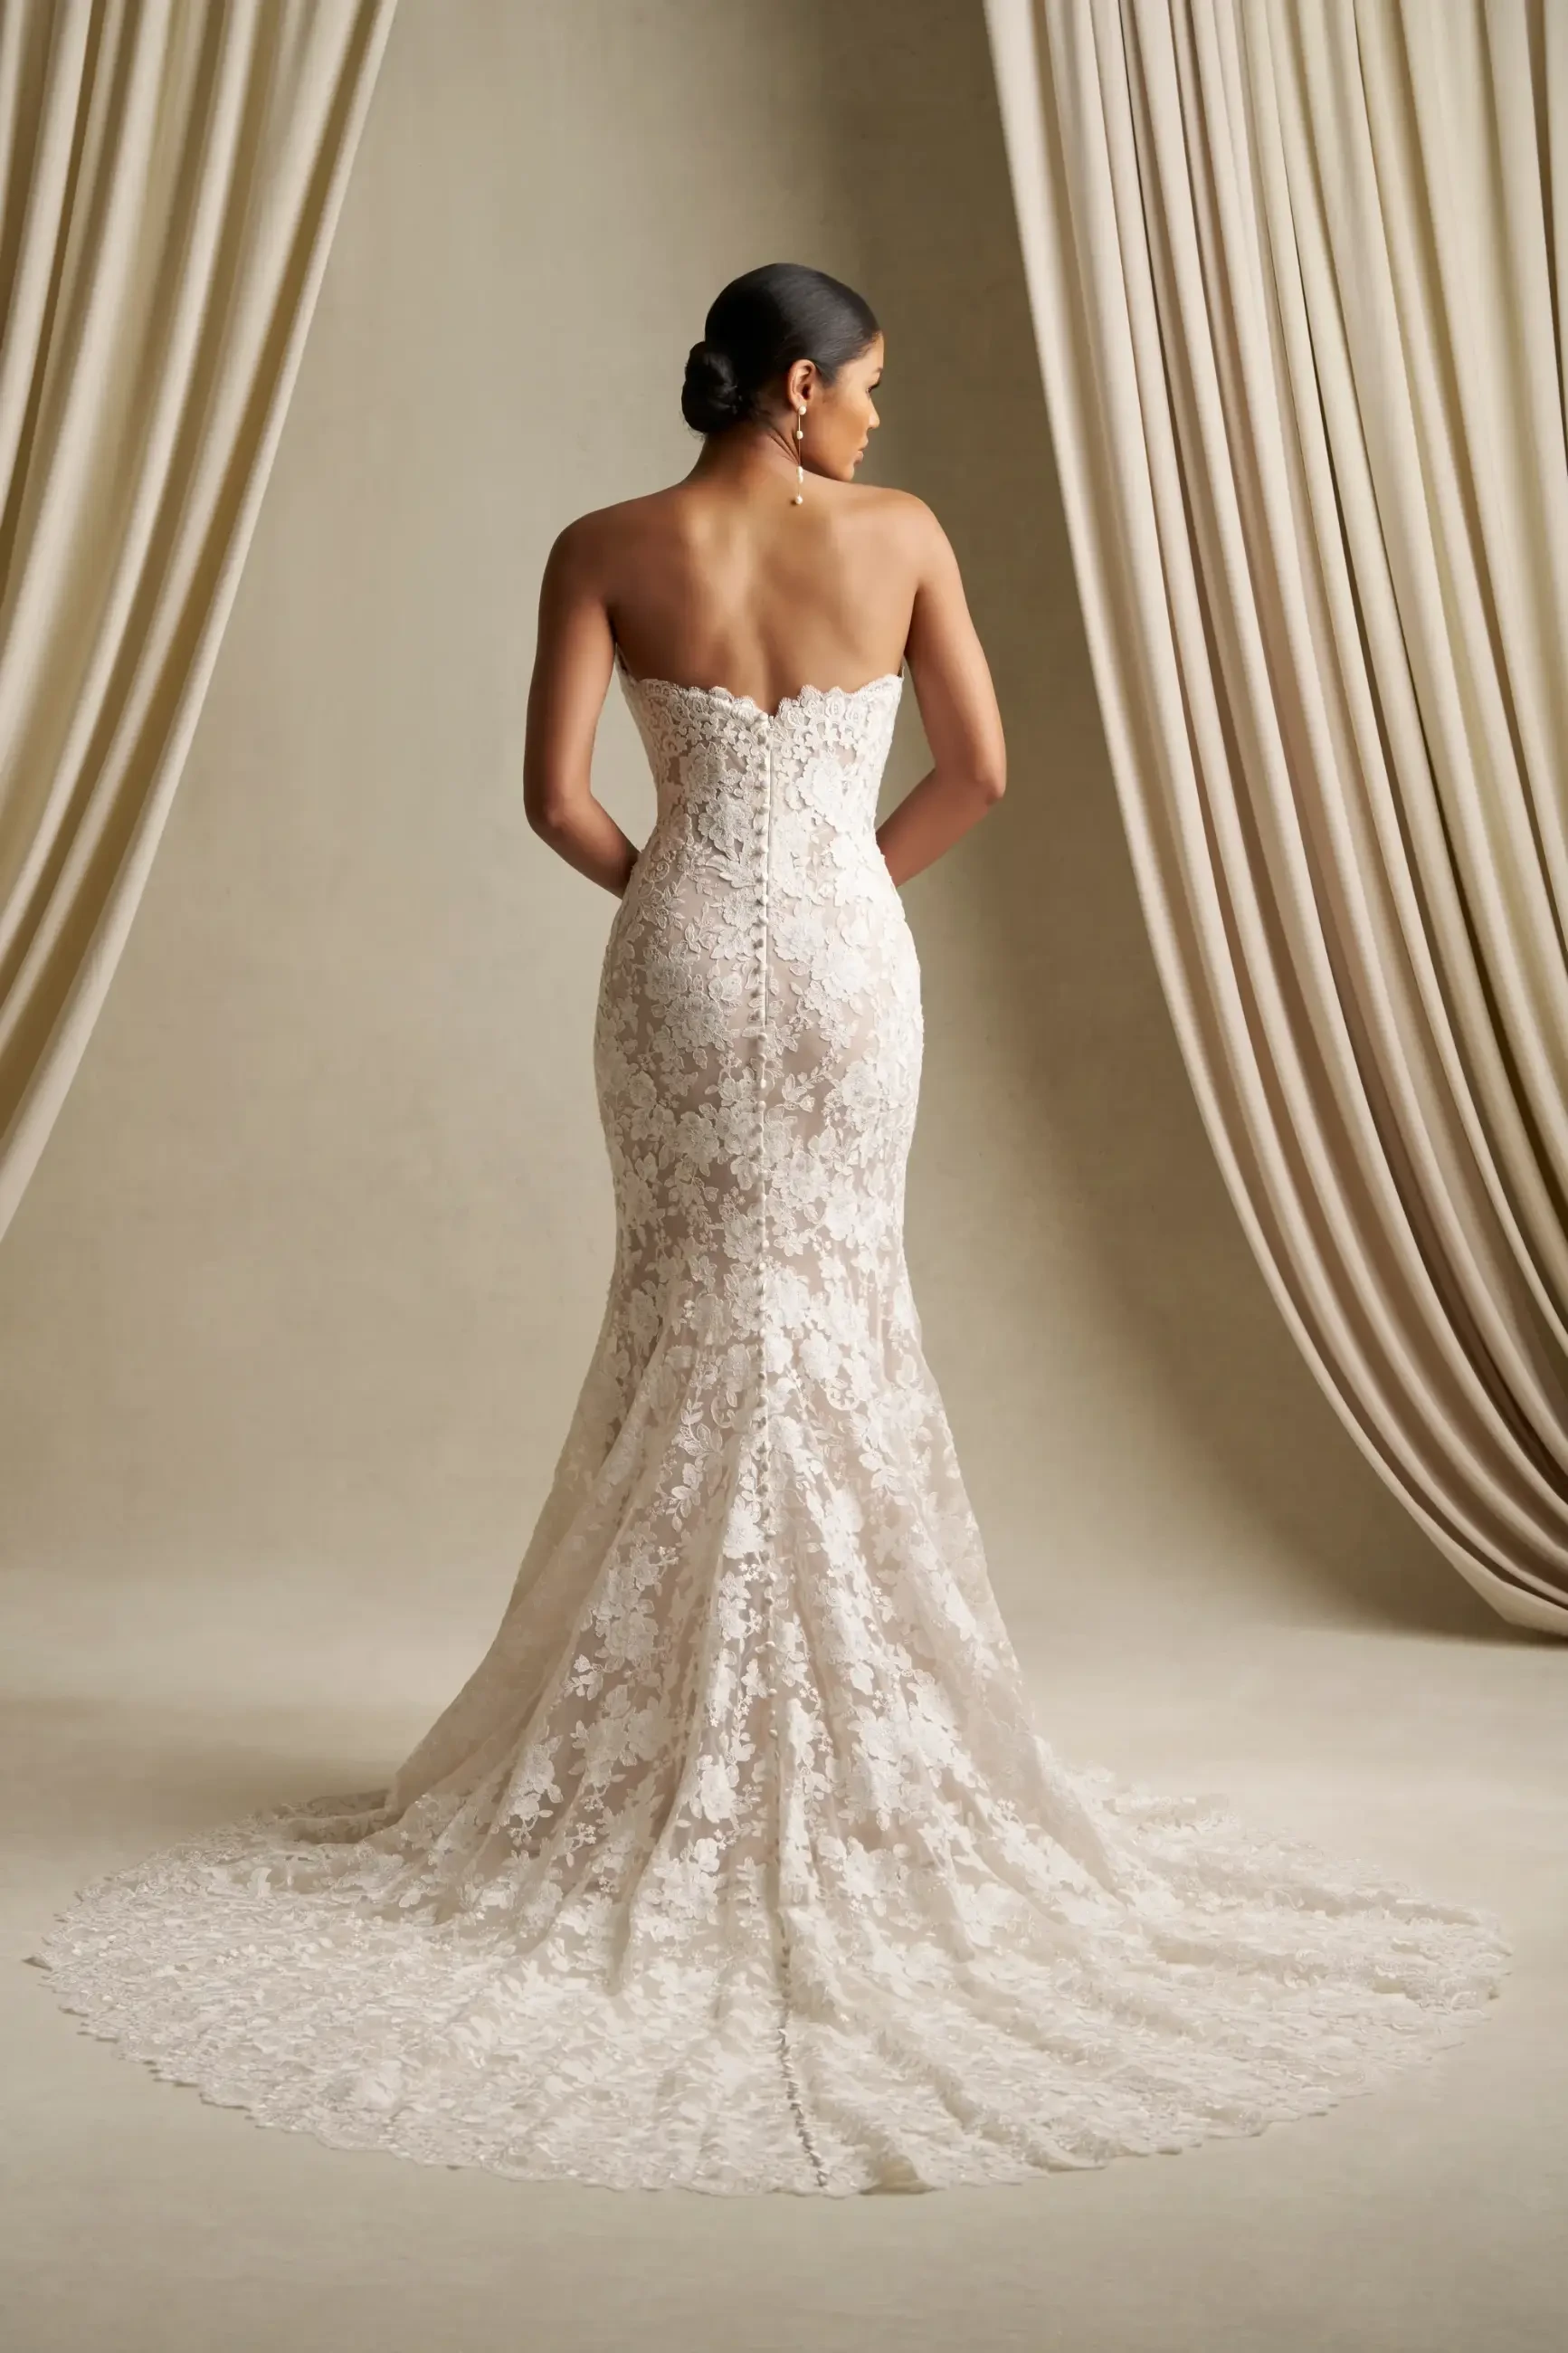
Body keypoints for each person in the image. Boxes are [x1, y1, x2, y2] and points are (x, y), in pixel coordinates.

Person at [33, 263, 1507, 2196]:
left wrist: (686, 892)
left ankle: (660, 1746)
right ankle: (841, 1752)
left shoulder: (602, 545)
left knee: (683, 1308)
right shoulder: (902, 538)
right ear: (797, 387)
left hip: (671, 971)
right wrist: (837, 890)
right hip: (845, 971)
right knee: (830, 1305)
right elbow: (978, 773)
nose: (879, 416)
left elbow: (553, 799)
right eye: (868, 383)